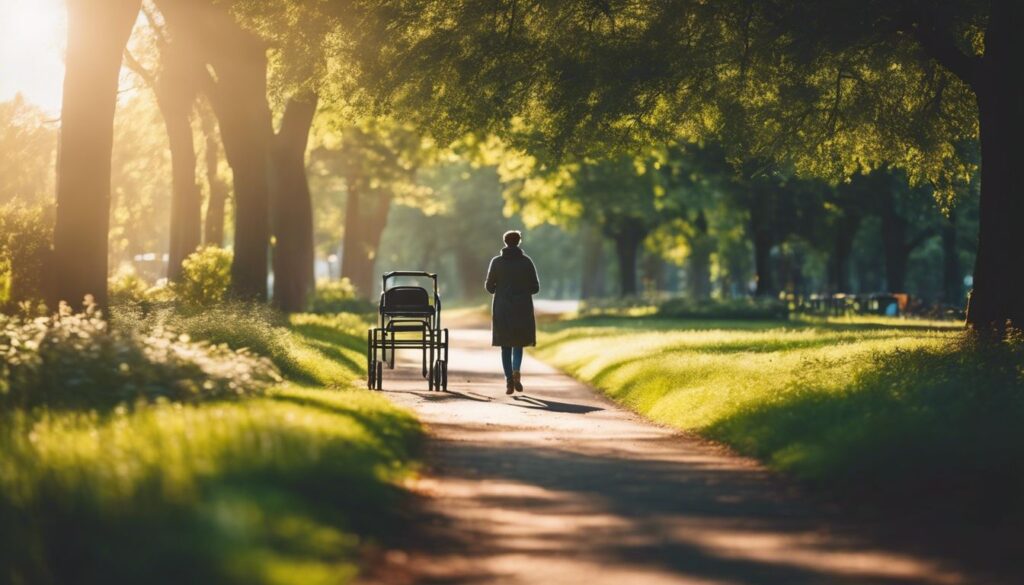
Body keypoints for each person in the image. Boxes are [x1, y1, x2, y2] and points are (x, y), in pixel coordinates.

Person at [485, 230, 540, 395]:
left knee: (505, 345)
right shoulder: (526, 262)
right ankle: (516, 371)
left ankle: (509, 379)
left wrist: (499, 288)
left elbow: (489, 287)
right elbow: (535, 287)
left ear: (505, 242)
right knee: (518, 343)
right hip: (522, 307)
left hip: (502, 307)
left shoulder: (496, 262)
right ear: (519, 242)